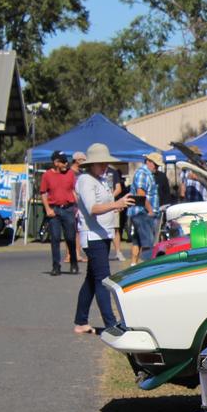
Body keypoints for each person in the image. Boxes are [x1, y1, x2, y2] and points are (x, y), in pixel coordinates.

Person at [73, 143, 134, 334]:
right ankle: (110, 324)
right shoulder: (86, 180)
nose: (104, 166)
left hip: (103, 234)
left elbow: (104, 204)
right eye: (100, 163)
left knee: (92, 280)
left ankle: (81, 321)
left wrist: (117, 205)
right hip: (93, 236)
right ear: (90, 164)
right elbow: (92, 208)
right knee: (102, 279)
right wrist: (115, 203)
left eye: (105, 163)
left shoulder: (100, 180)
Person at [39, 150, 79, 275]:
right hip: (54, 210)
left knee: (70, 238)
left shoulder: (70, 174)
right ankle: (56, 265)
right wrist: (47, 209)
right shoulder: (47, 175)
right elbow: (43, 193)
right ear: (56, 163)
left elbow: (74, 191)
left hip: (68, 209)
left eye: (66, 161)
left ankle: (74, 262)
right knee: (55, 238)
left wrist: (77, 208)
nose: (66, 164)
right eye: (63, 162)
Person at [128, 151, 162, 266]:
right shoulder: (143, 173)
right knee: (148, 243)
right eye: (155, 165)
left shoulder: (146, 173)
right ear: (148, 161)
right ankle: (148, 268)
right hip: (143, 213)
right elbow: (141, 195)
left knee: (137, 241)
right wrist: (151, 210)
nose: (156, 168)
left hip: (140, 213)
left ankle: (133, 265)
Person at [101, 163, 128, 262]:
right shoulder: (95, 173)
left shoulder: (112, 172)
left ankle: (118, 252)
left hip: (113, 204)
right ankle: (103, 252)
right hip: (100, 205)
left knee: (115, 228)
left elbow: (118, 188)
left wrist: (109, 197)